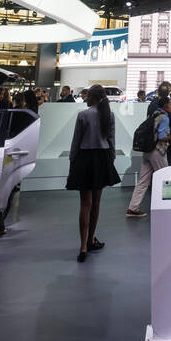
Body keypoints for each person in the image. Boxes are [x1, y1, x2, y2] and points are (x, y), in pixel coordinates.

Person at [68, 83, 120, 261]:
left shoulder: (83, 115)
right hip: (102, 158)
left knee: (85, 204)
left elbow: (76, 142)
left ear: (93, 97)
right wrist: (110, 160)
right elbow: (112, 141)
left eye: (88, 95)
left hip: (84, 158)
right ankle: (91, 240)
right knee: (96, 203)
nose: (85, 97)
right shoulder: (109, 115)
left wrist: (72, 161)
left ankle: (83, 246)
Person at [128, 94, 171, 218]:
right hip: (157, 151)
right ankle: (166, 207)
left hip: (147, 150)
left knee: (143, 181)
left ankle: (133, 207)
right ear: (165, 105)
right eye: (170, 104)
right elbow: (162, 136)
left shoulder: (154, 114)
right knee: (165, 178)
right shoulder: (164, 117)